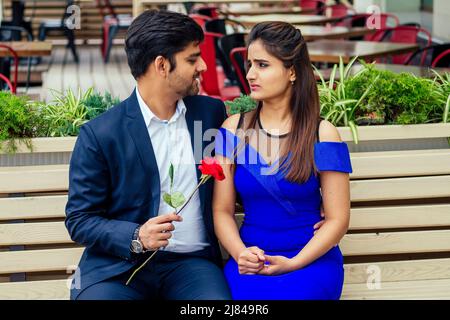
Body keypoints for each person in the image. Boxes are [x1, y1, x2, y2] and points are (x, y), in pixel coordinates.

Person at [65, 10, 231, 300]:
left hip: (192, 266)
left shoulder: (210, 115)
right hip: (117, 269)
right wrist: (135, 237)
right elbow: (80, 219)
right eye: (193, 58)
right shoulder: (100, 134)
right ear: (162, 65)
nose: (203, 66)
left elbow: (238, 172)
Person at [213, 21, 352, 300]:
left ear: (291, 71)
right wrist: (241, 252)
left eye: (263, 65)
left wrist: (294, 263)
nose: (251, 74)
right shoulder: (232, 130)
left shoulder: (322, 133)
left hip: (310, 261)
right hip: (252, 260)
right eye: (250, 64)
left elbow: (338, 219)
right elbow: (222, 210)